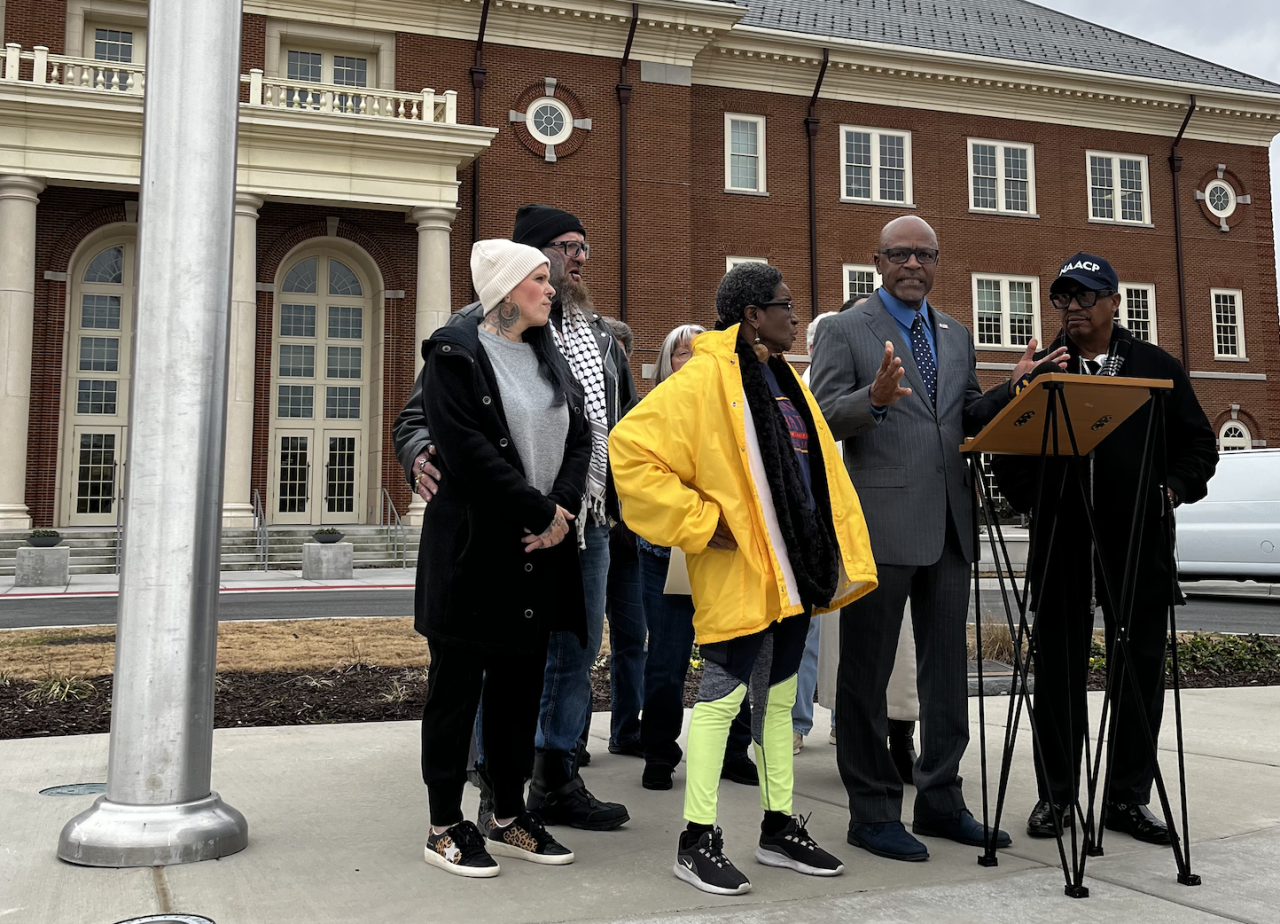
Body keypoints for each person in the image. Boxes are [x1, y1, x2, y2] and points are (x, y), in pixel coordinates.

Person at [611, 262, 878, 895]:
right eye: (785, 305)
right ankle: (694, 840)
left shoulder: (786, 379)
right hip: (739, 572)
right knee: (721, 699)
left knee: (780, 701)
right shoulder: (702, 379)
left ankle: (778, 828)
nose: (795, 315)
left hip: (792, 575)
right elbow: (629, 450)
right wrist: (700, 520)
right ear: (753, 315)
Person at [811, 215, 1061, 862]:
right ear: (878, 261)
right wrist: (875, 397)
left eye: (925, 254)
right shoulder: (846, 329)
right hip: (883, 524)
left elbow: (968, 412)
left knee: (949, 674)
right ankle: (871, 812)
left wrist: (1015, 387)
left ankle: (942, 799)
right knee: (865, 678)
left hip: (953, 522)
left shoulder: (955, 334)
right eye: (901, 254)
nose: (913, 263)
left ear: (937, 261)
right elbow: (824, 413)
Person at [393, 205, 636, 832]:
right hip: (498, 523)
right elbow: (424, 419)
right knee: (483, 660)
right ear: (524, 257)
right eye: (564, 247)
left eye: (585, 246)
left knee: (567, 655)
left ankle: (553, 775)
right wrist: (420, 452)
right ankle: (478, 789)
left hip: (584, 517)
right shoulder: (467, 334)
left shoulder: (600, 336)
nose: (578, 259)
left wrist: (572, 506)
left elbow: (606, 426)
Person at [989, 252, 1217, 844]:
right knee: (1058, 666)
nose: (1074, 309)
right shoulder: (1043, 371)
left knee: (1138, 669)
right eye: (1064, 298)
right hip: (1063, 540)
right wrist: (1037, 498)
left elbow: (1199, 447)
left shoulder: (1155, 369)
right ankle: (1056, 797)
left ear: (1116, 302)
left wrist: (1170, 491)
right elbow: (1008, 457)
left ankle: (1126, 798)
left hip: (1138, 542)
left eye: (1087, 297)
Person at [417, 239, 589, 878]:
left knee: (520, 690)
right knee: (457, 692)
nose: (552, 288)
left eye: (550, 279)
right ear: (507, 290)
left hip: (539, 551)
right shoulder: (454, 354)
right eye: (540, 279)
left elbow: (580, 436)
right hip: (472, 552)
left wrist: (561, 512)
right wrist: (539, 513)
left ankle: (509, 814)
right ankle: (442, 825)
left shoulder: (550, 356)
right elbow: (466, 454)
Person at [634, 323, 758, 792]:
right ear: (667, 362)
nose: (690, 358)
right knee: (666, 657)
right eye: (680, 352)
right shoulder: (653, 411)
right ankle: (659, 753)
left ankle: (733, 750)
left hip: (726, 549)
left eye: (697, 351)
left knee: (730, 654)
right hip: (667, 551)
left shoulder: (735, 410)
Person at [816, 297, 921, 775]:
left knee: (906, 650)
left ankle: (902, 737)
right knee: (860, 651)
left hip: (908, 522)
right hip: (853, 526)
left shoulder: (913, 370)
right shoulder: (832, 384)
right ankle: (858, 739)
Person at [599, 316, 646, 758]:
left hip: (628, 545)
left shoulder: (635, 407)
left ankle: (627, 731)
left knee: (632, 640)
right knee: (581, 642)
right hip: (591, 536)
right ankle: (570, 742)